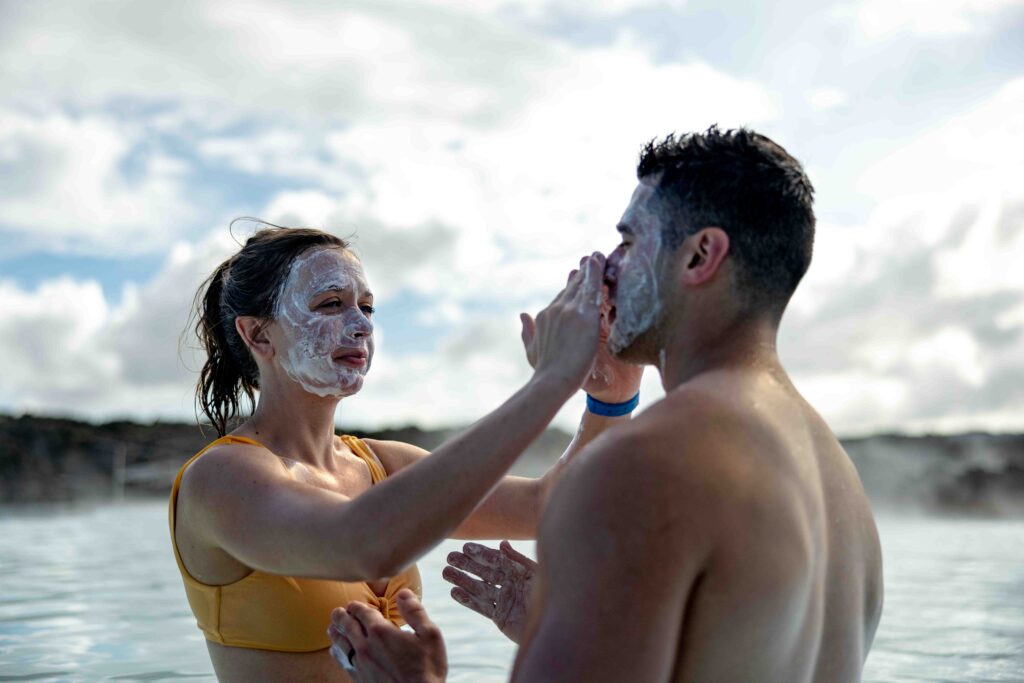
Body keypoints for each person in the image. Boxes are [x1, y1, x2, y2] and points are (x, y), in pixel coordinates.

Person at [328, 126, 885, 683]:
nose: (605, 267)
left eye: (627, 242)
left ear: (699, 256)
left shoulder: (644, 461)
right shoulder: (842, 487)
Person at [169, 226, 643, 682]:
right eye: (331, 304)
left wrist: (611, 399)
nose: (359, 325)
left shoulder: (382, 464)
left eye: (367, 308)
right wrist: (550, 380)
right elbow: (365, 544)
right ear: (258, 336)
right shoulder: (220, 477)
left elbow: (548, 507)